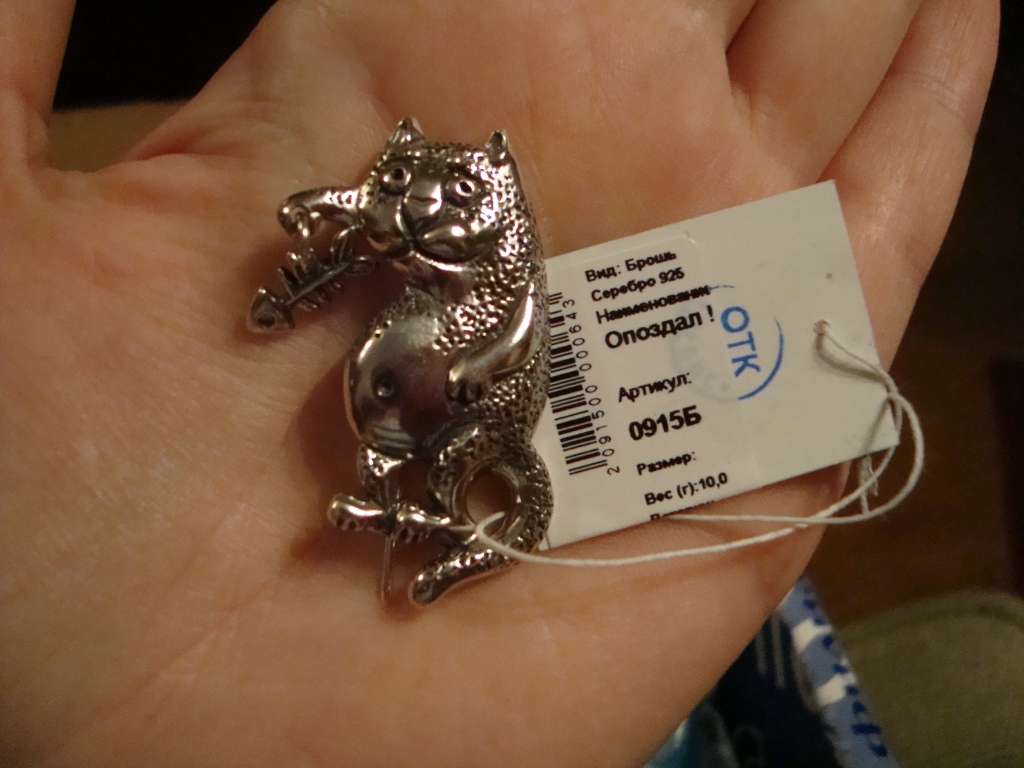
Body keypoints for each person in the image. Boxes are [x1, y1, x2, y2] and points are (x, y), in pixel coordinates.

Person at [0, 1, 999, 765]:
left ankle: (435, 525)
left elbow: (504, 327)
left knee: (470, 465)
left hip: (474, 405)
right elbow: (368, 229)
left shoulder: (497, 259)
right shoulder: (419, 219)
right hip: (418, 402)